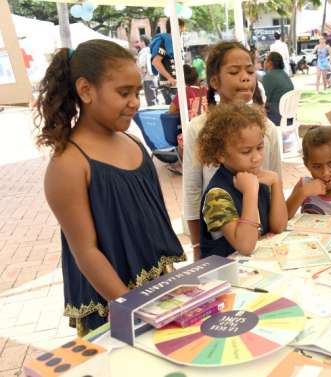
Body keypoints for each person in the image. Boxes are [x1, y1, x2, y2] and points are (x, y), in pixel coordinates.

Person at [33, 40, 186, 336]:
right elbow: (86, 252)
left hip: (160, 296)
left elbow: (151, 229)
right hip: (112, 305)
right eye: (123, 93)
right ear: (86, 90)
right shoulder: (69, 164)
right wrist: (136, 308)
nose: (135, 102)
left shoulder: (135, 145)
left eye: (137, 92)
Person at [183, 41, 282, 261]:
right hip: (225, 245)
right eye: (234, 71)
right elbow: (192, 190)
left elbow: (275, 183)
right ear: (215, 81)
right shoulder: (198, 128)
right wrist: (197, 247)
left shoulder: (268, 129)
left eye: (250, 70)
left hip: (260, 250)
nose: (246, 77)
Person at [197, 103, 287, 258]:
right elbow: (245, 247)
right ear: (221, 154)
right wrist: (250, 192)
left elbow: (279, 227)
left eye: (259, 147)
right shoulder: (216, 196)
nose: (257, 158)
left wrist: (276, 183)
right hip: (225, 276)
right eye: (246, 151)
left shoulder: (256, 177)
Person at [150, 18, 186, 104]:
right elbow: (156, 61)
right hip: (169, 84)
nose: (183, 30)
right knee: (175, 111)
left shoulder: (174, 41)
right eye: (181, 27)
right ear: (176, 27)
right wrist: (169, 78)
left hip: (176, 83)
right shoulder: (165, 41)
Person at [262, 52, 294, 126]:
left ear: (270, 63)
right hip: (289, 117)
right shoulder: (284, 75)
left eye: (265, 59)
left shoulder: (268, 77)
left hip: (276, 117)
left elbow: (264, 99)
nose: (264, 62)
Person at [137, 35, 157, 106]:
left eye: (139, 41)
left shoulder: (143, 53)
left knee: (151, 101)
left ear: (143, 42)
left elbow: (142, 67)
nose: (138, 43)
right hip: (154, 77)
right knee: (154, 99)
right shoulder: (151, 50)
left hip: (147, 78)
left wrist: (140, 78)